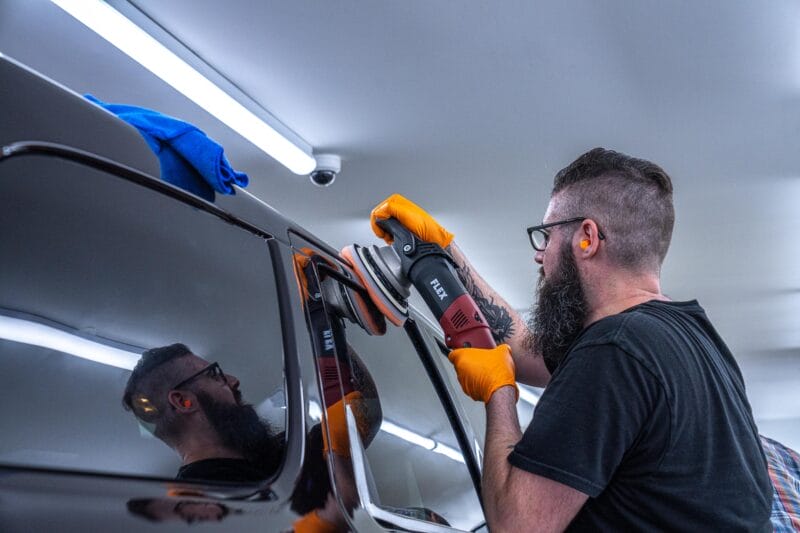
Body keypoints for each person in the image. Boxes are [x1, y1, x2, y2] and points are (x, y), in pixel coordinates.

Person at [368, 147, 772, 531]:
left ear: (587, 238)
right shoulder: (688, 338)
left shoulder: (615, 351)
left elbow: (517, 525)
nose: (539, 255)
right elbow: (529, 349)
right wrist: (444, 251)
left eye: (546, 236)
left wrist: (499, 393)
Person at [122, 343, 282, 482]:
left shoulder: (272, 470)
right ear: (183, 401)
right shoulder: (209, 503)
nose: (233, 381)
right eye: (214, 375)